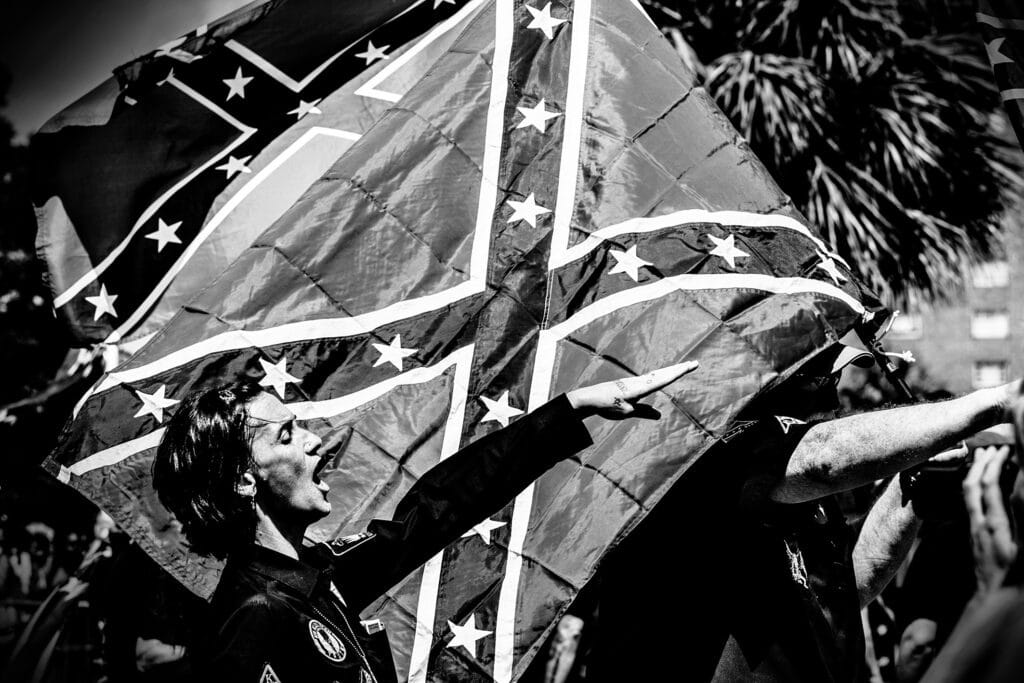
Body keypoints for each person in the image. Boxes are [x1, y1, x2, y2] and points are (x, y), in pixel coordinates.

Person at [151, 362, 698, 683]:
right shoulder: (254, 616)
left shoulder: (316, 573)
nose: (316, 440)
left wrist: (572, 407)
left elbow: (438, 509)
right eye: (286, 436)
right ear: (245, 481)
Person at [583, 350, 1023, 682]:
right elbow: (823, 456)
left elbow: (850, 584)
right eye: (818, 376)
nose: (833, 394)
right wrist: (994, 402)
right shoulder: (707, 447)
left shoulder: (794, 481)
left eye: (836, 376)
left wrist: (914, 487)